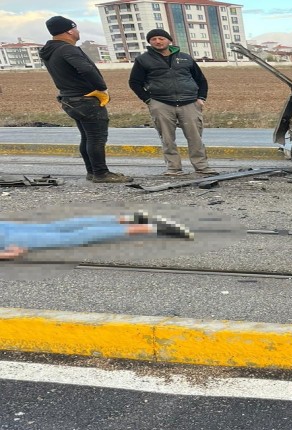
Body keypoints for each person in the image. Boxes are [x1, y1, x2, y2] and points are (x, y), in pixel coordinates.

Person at [39, 16, 133, 183]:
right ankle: (101, 173)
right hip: (86, 100)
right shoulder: (67, 49)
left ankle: (92, 172)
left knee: (87, 137)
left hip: (70, 99)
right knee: (96, 137)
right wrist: (102, 89)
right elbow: (86, 69)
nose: (78, 31)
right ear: (69, 30)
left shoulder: (51, 51)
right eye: (76, 28)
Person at [128, 29, 218, 177]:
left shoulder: (185, 58)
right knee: (167, 138)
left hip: (189, 102)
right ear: (149, 42)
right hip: (161, 103)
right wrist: (149, 100)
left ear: (169, 40)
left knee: (195, 137)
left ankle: (202, 167)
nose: (157, 41)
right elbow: (134, 82)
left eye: (161, 38)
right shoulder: (143, 60)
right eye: (154, 39)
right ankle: (174, 169)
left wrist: (201, 98)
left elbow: (201, 80)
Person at [0, 211, 193, 260]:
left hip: (5, 239)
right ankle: (131, 218)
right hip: (4, 228)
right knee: (55, 227)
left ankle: (150, 228)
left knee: (69, 238)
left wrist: (9, 254)